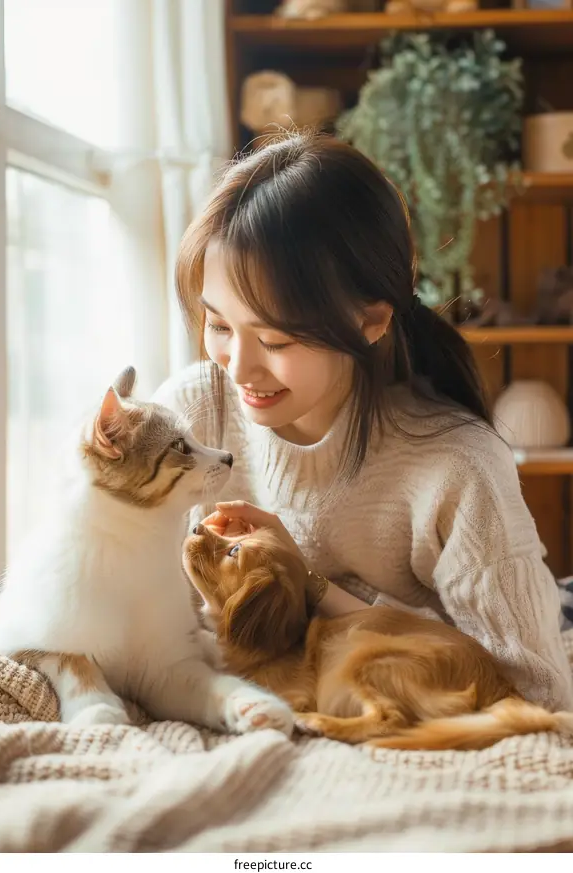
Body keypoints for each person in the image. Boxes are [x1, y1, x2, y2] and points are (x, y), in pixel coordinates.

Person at [153, 131, 573, 711]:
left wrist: (312, 589)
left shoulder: (454, 465)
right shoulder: (195, 413)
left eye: (276, 337)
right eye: (219, 326)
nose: (240, 368)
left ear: (369, 320)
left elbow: (537, 692)